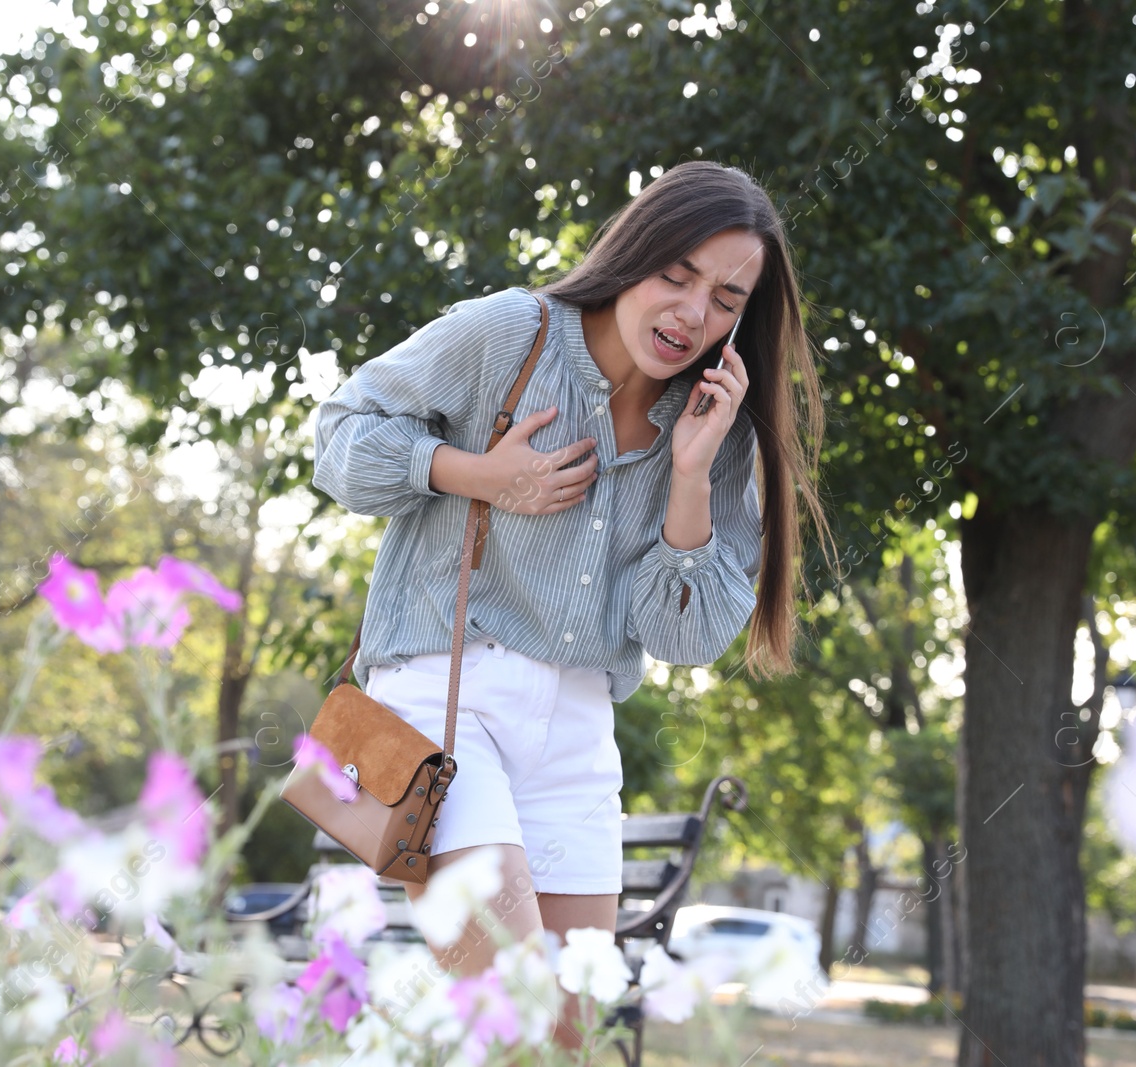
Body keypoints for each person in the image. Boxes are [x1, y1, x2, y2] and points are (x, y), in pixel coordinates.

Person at [309, 160, 831, 1048]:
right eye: (676, 274)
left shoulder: (716, 425)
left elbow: (684, 637)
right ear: (635, 253)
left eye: (725, 297)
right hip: (444, 703)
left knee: (564, 1037)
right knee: (511, 1003)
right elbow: (340, 437)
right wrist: (479, 475)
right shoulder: (510, 334)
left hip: (580, 734)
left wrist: (693, 475)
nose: (692, 312)